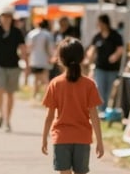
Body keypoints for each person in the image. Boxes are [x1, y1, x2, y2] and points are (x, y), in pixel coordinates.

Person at [41, 38, 104, 174]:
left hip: (61, 137)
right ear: (82, 58)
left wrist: (44, 138)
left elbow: (49, 116)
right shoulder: (89, 84)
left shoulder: (55, 84)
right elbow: (94, 116)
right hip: (83, 137)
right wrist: (100, 141)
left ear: (61, 59)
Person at [84, 14, 124, 111]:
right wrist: (88, 59)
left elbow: (121, 49)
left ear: (105, 23)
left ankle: (107, 109)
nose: (98, 25)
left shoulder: (115, 35)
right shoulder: (97, 37)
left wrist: (115, 56)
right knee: (100, 89)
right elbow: (92, 49)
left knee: (109, 90)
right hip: (100, 67)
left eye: (100, 23)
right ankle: (102, 110)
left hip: (112, 68)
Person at [27, 19, 55, 100]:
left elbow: (28, 47)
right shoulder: (48, 35)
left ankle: (34, 95)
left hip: (34, 59)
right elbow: (50, 48)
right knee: (45, 79)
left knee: (36, 79)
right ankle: (47, 97)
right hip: (45, 60)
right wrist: (51, 57)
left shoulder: (32, 34)